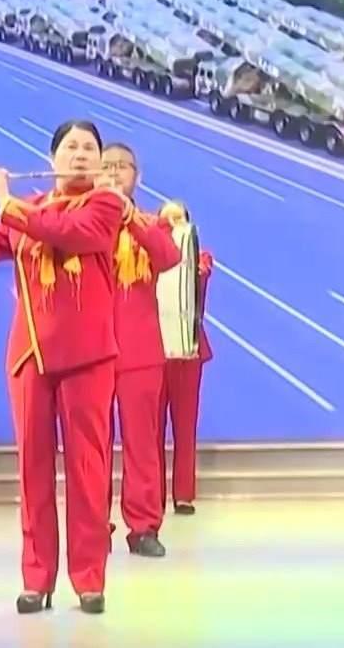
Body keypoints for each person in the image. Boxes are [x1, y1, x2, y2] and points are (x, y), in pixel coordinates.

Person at [0, 120, 123, 616]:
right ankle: (36, 577)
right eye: (71, 147)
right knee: (32, 471)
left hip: (87, 356)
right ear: (52, 157)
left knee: (88, 471)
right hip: (30, 356)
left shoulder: (105, 205)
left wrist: (5, 201)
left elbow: (70, 234)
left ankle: (89, 579)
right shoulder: (31, 207)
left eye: (89, 148)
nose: (80, 155)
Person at [99, 143, 184, 557]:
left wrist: (129, 216)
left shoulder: (152, 223)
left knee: (143, 444)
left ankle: (144, 526)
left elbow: (168, 257)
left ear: (138, 175)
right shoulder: (84, 224)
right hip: (92, 351)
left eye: (123, 166)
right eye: (107, 166)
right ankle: (94, 525)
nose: (115, 173)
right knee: (92, 448)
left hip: (140, 351)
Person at [156, 201, 214, 517]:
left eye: (178, 219)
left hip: (188, 352)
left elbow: (201, 274)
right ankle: (153, 494)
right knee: (152, 429)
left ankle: (184, 494)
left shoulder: (200, 259)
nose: (173, 224)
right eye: (167, 219)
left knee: (184, 425)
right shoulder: (145, 257)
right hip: (154, 351)